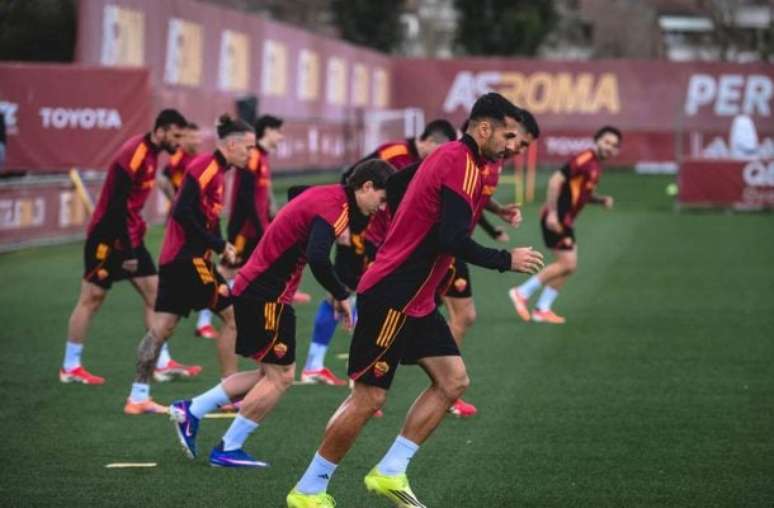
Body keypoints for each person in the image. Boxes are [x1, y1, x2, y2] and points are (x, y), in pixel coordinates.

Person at [286, 93, 544, 508]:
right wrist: (505, 260)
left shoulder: (456, 159)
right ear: (484, 129)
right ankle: (309, 490)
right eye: (508, 136)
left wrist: (404, 224)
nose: (512, 145)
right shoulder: (460, 162)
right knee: (369, 398)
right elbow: (452, 238)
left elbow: (398, 184)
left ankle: (390, 471)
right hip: (394, 294)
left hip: (417, 298)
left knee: (453, 380)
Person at [168, 160, 394, 467]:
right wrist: (342, 294)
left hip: (257, 288)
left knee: (268, 374)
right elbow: (318, 258)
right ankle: (228, 448)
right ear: (366, 187)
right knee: (281, 377)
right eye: (382, 198)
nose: (382, 207)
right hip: (267, 294)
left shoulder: (329, 195)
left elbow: (295, 193)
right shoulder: (336, 208)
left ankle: (191, 410)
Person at [300, 119, 457, 386]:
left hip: (388, 240)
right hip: (363, 234)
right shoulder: (393, 152)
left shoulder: (425, 165)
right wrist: (346, 224)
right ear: (429, 142)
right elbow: (352, 178)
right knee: (344, 290)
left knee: (372, 293)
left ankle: (353, 364)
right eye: (439, 151)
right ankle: (318, 365)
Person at [123, 114, 254, 414]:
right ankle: (228, 394)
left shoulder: (217, 171)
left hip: (178, 260)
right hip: (188, 260)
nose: (251, 154)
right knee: (235, 318)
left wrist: (221, 246)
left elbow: (206, 217)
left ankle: (138, 396)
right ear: (231, 145)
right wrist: (217, 245)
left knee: (161, 329)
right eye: (248, 147)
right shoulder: (207, 167)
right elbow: (181, 212)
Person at [60, 109, 193, 385]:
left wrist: (135, 236)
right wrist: (128, 251)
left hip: (131, 235)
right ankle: (70, 367)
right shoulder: (134, 152)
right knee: (91, 298)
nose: (179, 142)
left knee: (156, 294)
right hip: (108, 237)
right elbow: (117, 205)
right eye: (176, 135)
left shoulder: (152, 153)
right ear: (161, 131)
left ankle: (160, 362)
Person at [509, 126, 621, 324]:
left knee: (569, 266)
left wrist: (600, 200)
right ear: (597, 140)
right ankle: (522, 292)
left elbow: (581, 194)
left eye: (613, 145)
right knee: (567, 263)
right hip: (557, 217)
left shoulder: (595, 165)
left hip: (566, 219)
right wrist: (552, 213)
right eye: (606, 142)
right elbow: (556, 180)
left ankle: (542, 309)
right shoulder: (585, 158)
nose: (609, 147)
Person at [196, 115, 289, 338]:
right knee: (227, 269)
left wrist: (269, 217)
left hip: (256, 227)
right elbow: (245, 196)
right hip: (245, 230)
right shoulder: (253, 156)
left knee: (251, 272)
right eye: (278, 131)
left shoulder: (261, 156)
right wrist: (259, 228)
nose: (281, 136)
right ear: (268, 130)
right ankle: (204, 321)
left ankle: (247, 316)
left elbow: (259, 195)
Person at [158, 122, 201, 201]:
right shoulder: (178, 156)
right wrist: (175, 201)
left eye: (198, 138)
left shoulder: (200, 158)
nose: (196, 141)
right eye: (192, 138)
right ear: (185, 139)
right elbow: (162, 180)